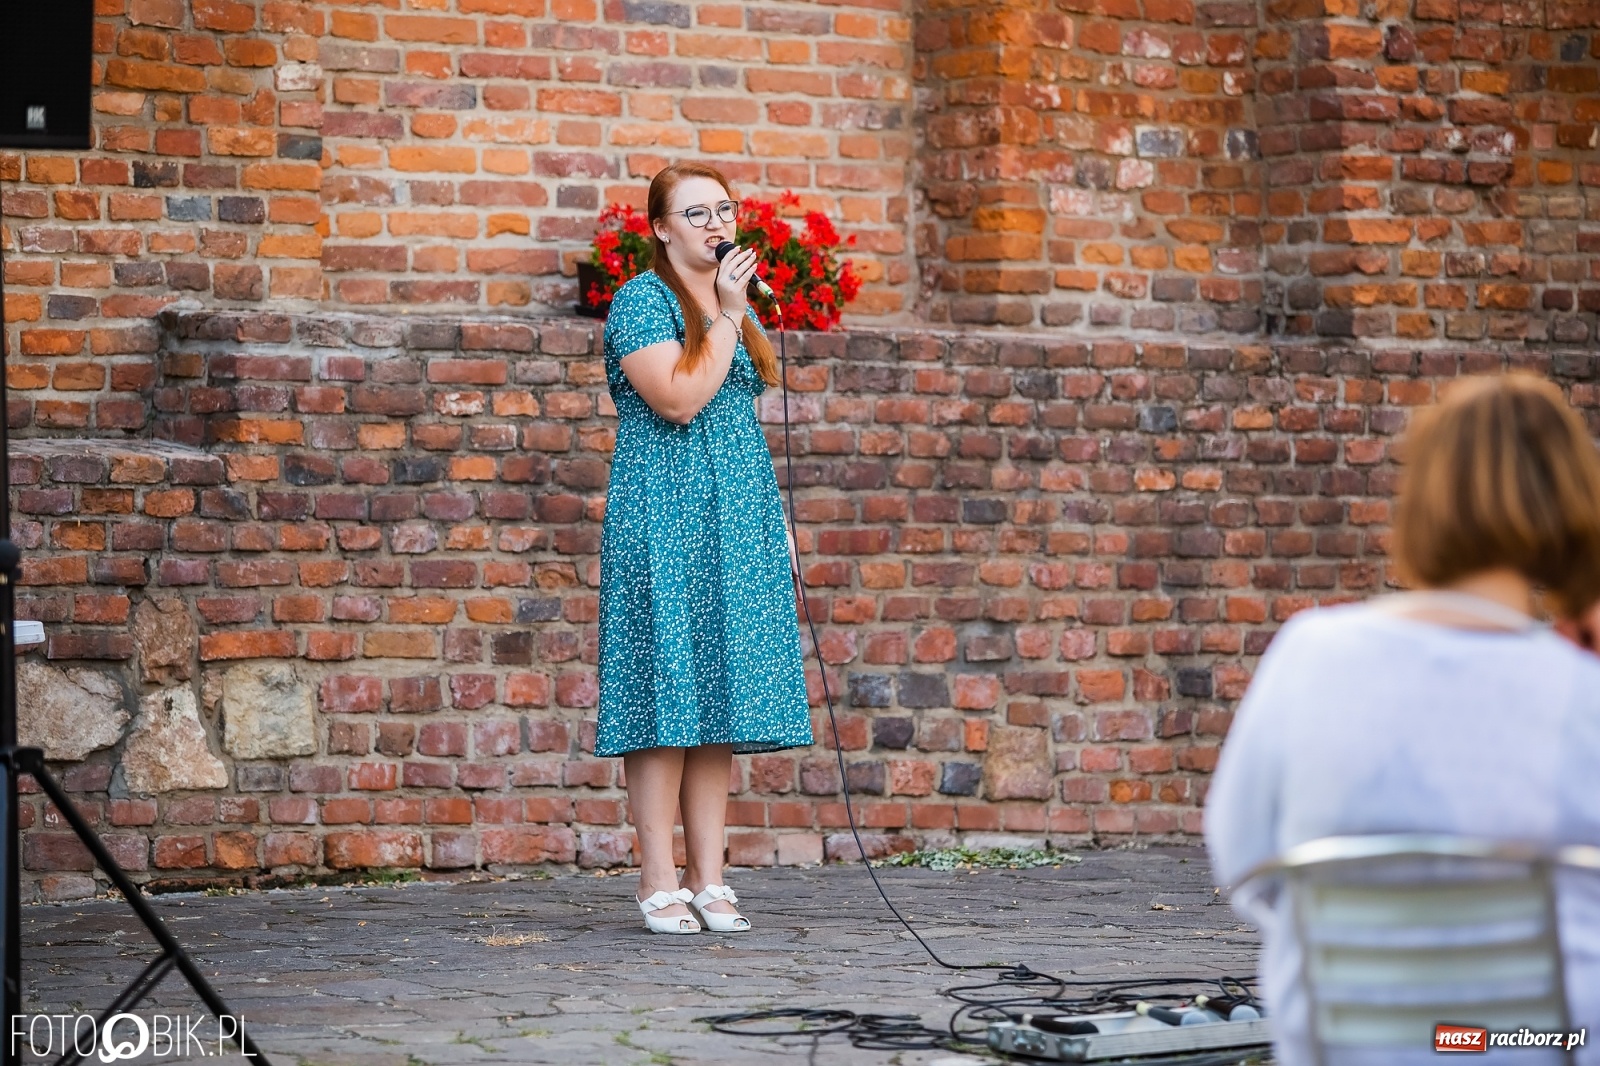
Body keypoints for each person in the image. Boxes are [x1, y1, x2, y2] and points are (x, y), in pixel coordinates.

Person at [1205, 372, 1600, 1064]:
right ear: (1570, 501)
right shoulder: (1580, 690)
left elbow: (1243, 858)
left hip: (1348, 1040)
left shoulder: (1309, 655)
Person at [596, 161, 813, 935]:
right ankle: (658, 880)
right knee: (665, 697)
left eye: (724, 210)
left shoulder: (733, 309)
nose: (718, 225)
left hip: (736, 516)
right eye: (696, 214)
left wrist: (771, 523)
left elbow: (739, 422)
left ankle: (711, 879)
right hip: (662, 517)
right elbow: (679, 399)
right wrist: (725, 313)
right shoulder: (641, 302)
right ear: (659, 229)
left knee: (718, 694)